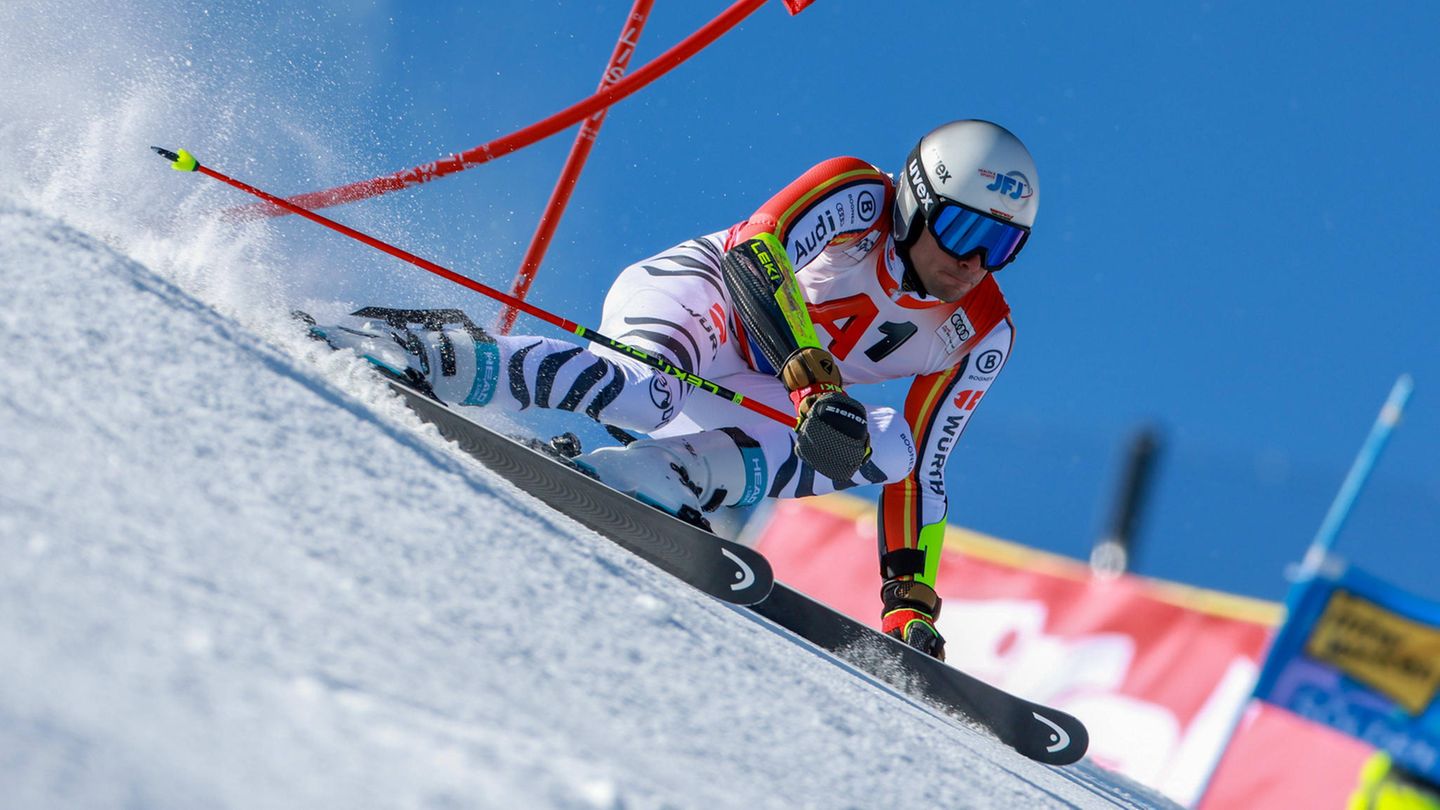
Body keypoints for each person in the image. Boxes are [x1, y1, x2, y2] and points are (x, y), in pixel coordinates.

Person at [312, 119, 1038, 661]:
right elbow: (757, 251)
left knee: (885, 447)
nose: (976, 261)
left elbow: (925, 469)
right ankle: (423, 352)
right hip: (700, 305)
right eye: (965, 229)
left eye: (1003, 245)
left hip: (764, 387)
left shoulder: (981, 330)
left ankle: (648, 480)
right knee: (643, 391)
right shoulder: (858, 196)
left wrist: (909, 599)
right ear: (915, 202)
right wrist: (809, 375)